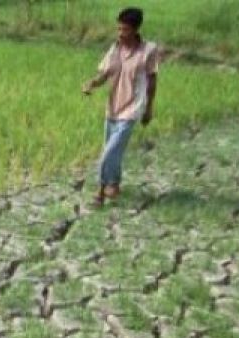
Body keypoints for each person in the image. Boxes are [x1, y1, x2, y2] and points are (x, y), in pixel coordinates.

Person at [82, 7, 160, 206]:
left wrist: (149, 108)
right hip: (113, 106)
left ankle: (100, 190)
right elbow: (105, 74)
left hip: (132, 108)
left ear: (135, 30)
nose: (120, 34)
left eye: (124, 30)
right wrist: (92, 83)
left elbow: (152, 81)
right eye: (118, 29)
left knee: (109, 151)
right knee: (112, 150)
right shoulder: (115, 49)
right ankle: (114, 184)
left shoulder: (148, 51)